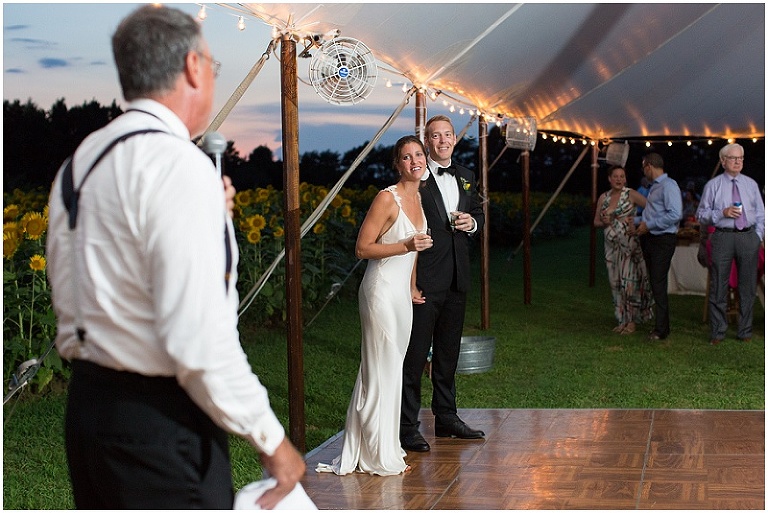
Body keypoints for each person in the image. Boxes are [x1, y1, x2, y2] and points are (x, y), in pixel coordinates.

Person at [46, 6, 304, 509]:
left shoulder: (80, 162)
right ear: (192, 65)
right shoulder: (176, 165)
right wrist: (272, 442)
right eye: (213, 64)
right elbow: (198, 343)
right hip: (160, 426)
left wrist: (210, 211)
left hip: (89, 413)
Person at [316, 136, 433, 476]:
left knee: (393, 367)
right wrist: (405, 243)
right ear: (397, 165)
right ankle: (374, 452)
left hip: (400, 294)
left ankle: (383, 443)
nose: (415, 161)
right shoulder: (387, 198)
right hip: (379, 290)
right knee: (380, 368)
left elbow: (414, 251)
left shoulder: (419, 199)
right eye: (407, 157)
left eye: (419, 155)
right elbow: (363, 249)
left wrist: (412, 285)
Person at [400, 115, 485, 453]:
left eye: (447, 135)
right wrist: (410, 281)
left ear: (454, 138)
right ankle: (407, 427)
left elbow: (478, 211)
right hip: (424, 281)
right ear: (427, 141)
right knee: (415, 356)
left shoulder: (466, 176)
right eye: (435, 136)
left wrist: (472, 223)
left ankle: (447, 418)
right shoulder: (417, 179)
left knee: (448, 354)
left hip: (457, 278)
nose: (442, 141)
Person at [695, 143, 765, 345]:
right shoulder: (713, 185)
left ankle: (745, 331)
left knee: (748, 287)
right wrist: (721, 213)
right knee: (718, 285)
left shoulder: (751, 184)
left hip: (747, 237)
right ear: (723, 161)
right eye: (733, 158)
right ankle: (717, 332)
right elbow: (701, 214)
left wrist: (757, 236)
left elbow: (761, 213)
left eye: (741, 158)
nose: (738, 162)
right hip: (722, 236)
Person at [593, 165, 653, 335]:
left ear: (625, 179)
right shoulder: (603, 198)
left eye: (622, 176)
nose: (619, 179)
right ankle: (622, 319)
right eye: (615, 176)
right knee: (615, 283)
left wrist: (638, 221)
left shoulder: (631, 194)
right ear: (609, 179)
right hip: (611, 247)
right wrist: (604, 222)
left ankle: (632, 321)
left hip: (629, 246)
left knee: (629, 283)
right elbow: (595, 222)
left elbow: (652, 208)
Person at [630, 153, 683, 341]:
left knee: (659, 283)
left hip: (663, 239)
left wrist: (649, 225)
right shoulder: (654, 188)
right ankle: (658, 324)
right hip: (652, 238)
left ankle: (662, 329)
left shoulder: (669, 186)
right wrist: (635, 221)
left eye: (644, 167)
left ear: (649, 166)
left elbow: (675, 214)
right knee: (654, 281)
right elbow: (652, 215)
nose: (643, 171)